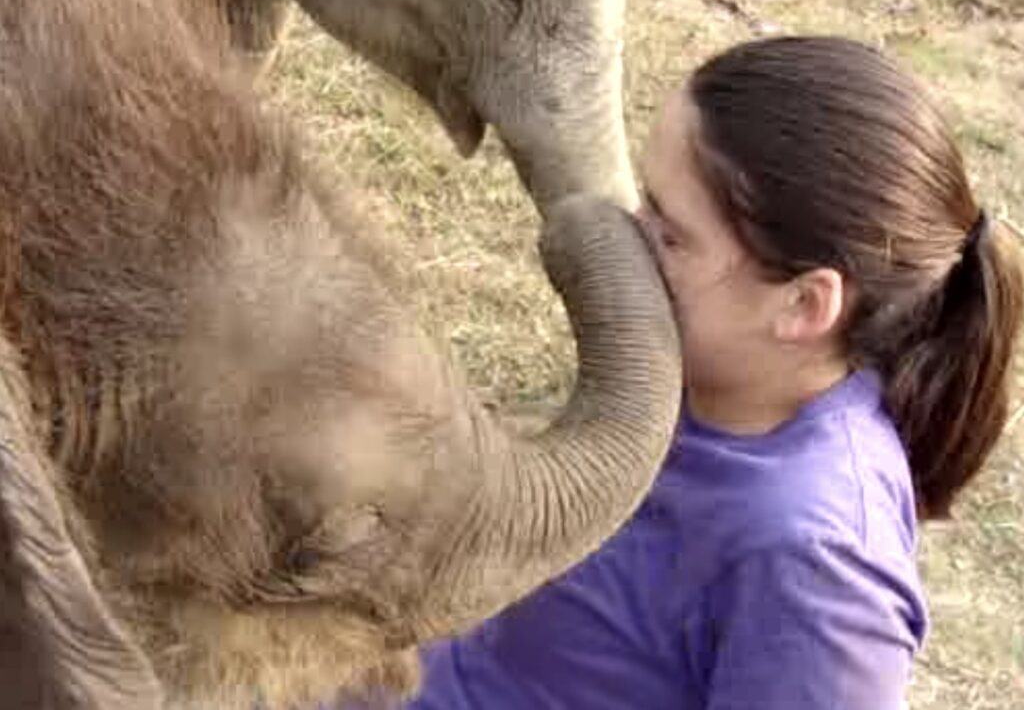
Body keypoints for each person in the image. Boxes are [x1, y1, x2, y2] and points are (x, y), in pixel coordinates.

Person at [375, 36, 1024, 709]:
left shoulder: (814, 559)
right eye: (645, 200)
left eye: (670, 230)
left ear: (804, 304)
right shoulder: (694, 384)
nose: (631, 233)